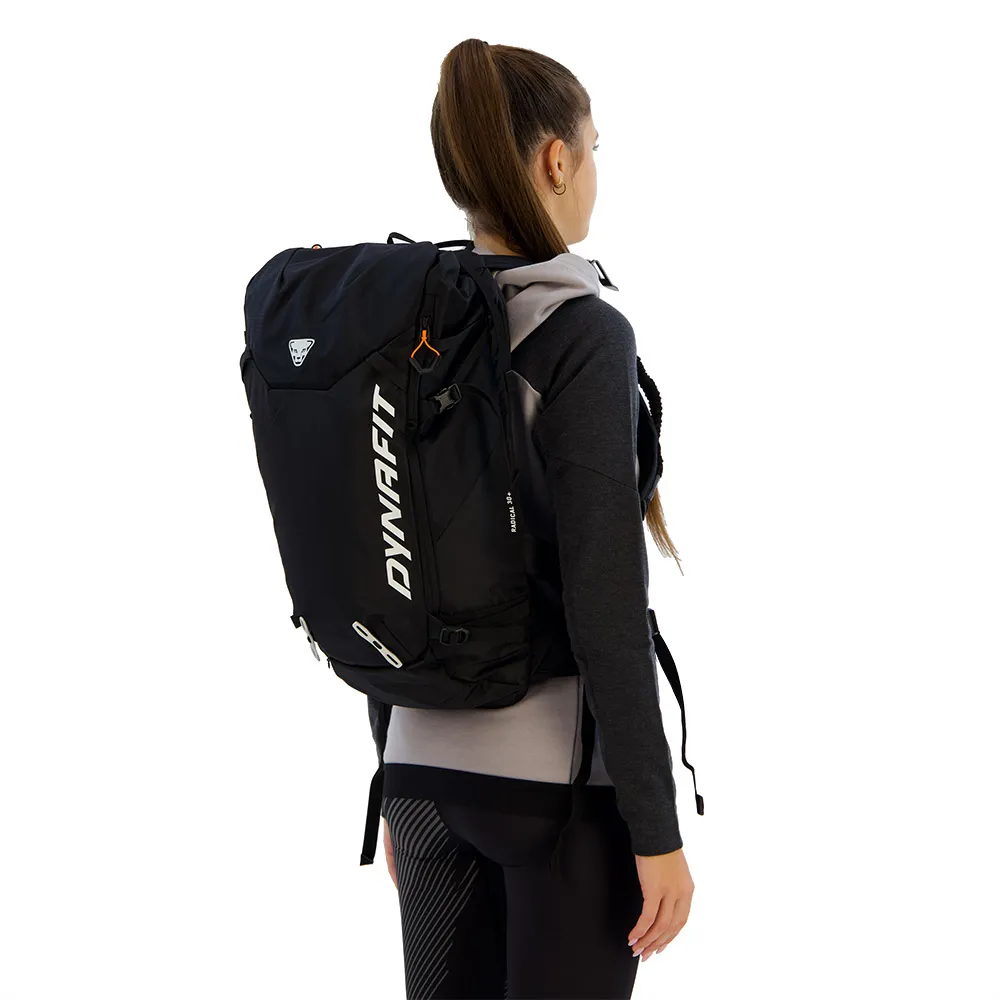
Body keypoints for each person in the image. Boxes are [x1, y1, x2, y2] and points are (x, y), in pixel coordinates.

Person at [368, 38, 695, 1000]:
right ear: (556, 160)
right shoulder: (582, 335)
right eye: (593, 149)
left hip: (420, 778)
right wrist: (656, 829)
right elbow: (606, 605)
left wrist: (394, 771)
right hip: (555, 797)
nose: (593, 170)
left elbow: (384, 569)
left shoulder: (403, 335)